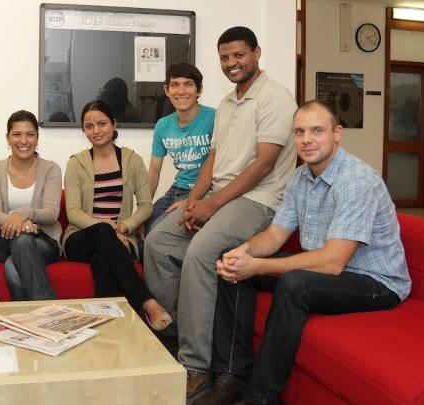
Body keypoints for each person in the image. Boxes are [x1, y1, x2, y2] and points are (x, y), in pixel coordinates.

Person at [197, 100, 411, 405]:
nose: (307, 139)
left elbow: (334, 262)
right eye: (300, 132)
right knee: (230, 258)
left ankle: (260, 398)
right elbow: (274, 235)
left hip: (375, 283)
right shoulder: (300, 178)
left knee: (295, 283)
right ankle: (233, 373)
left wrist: (256, 267)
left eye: (317, 131)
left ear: (337, 133)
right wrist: (242, 253)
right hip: (331, 271)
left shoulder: (355, 181)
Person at [143, 26, 297, 397]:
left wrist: (213, 203)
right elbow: (213, 158)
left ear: (257, 53)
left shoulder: (275, 98)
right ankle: (178, 337)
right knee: (158, 241)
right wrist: (196, 199)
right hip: (220, 193)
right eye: (225, 57)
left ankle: (196, 366)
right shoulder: (228, 103)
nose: (231, 63)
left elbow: (263, 164)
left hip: (258, 200)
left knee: (199, 253)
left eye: (239, 55)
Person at [64, 100, 171, 330]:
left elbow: (145, 205)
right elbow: (73, 213)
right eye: (89, 126)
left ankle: (112, 330)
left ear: (113, 124)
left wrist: (124, 227)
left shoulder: (132, 160)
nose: (96, 131)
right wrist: (110, 229)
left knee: (102, 260)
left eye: (101, 123)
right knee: (102, 230)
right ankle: (147, 301)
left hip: (121, 237)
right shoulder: (76, 163)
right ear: (83, 130)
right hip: (79, 239)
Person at [0, 110, 62, 300]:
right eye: (17, 134)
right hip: (3, 240)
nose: (24, 141)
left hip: (43, 239)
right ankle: (50, 311)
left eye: (30, 134)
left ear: (37, 137)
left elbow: (51, 213)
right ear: (8, 138)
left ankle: (26, 323)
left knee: (13, 265)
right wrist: (19, 224)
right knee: (23, 239)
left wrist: (23, 214)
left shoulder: (51, 169)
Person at [145, 63, 216, 234]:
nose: (181, 91)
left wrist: (192, 200)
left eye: (188, 84)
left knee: (157, 232)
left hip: (207, 190)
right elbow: (154, 170)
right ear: (167, 90)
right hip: (178, 187)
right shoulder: (162, 125)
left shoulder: (215, 118)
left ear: (199, 90)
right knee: (144, 227)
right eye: (175, 85)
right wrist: (143, 209)